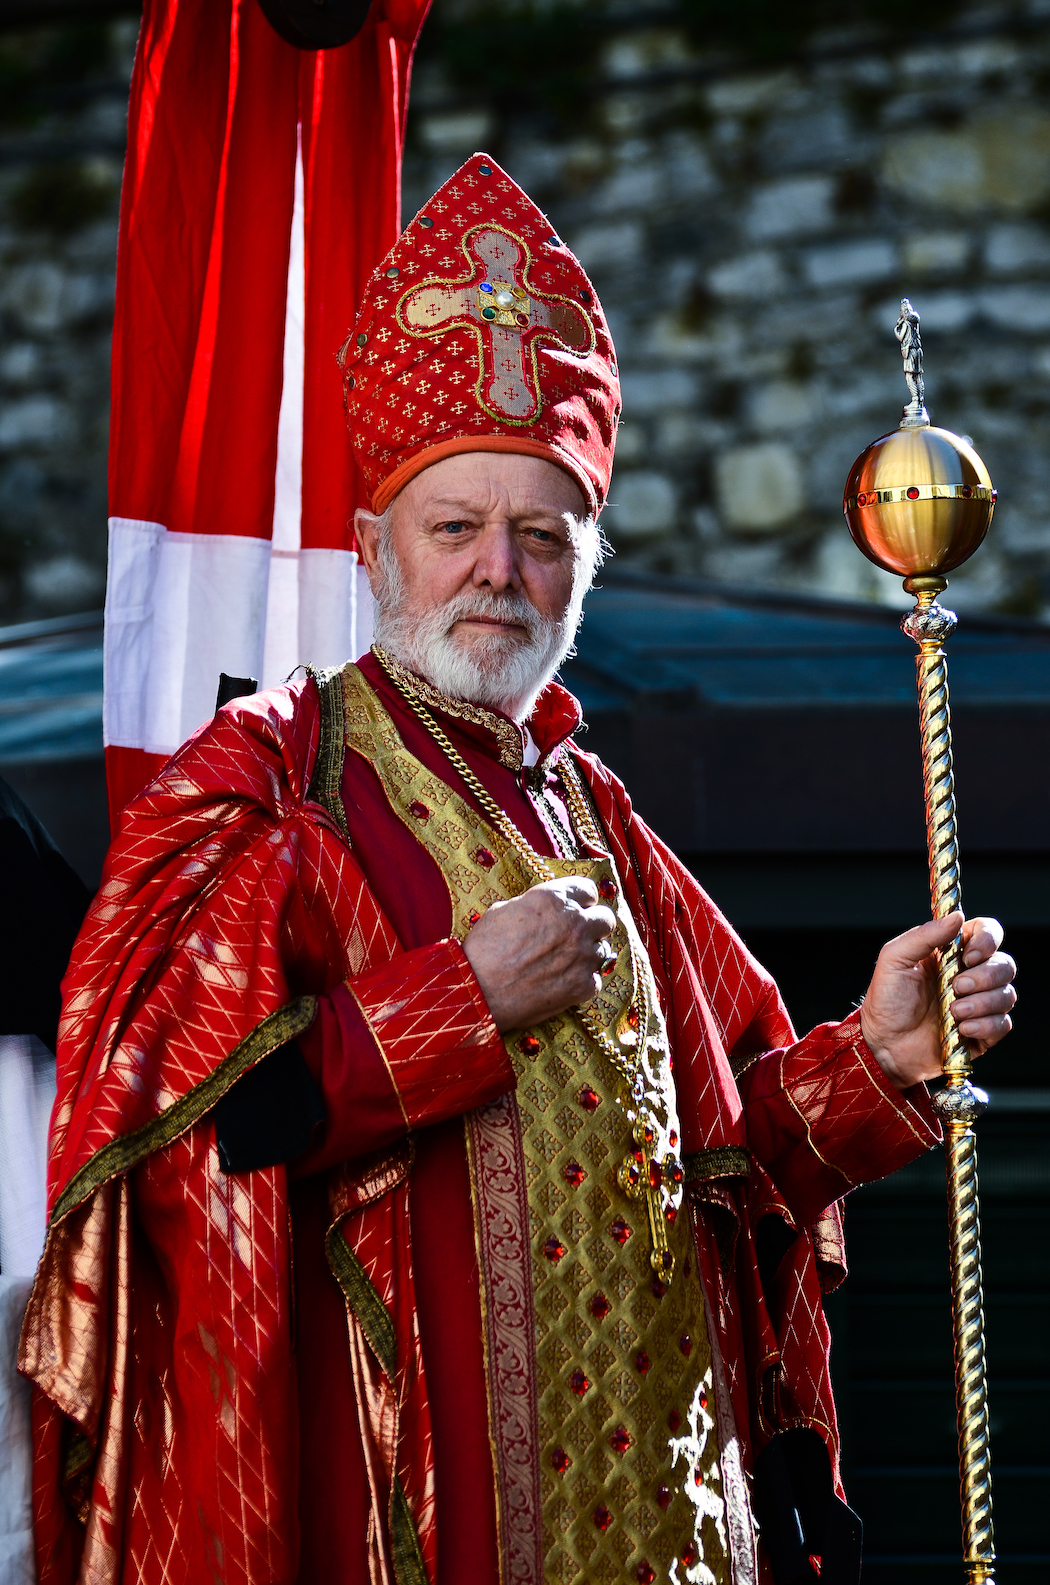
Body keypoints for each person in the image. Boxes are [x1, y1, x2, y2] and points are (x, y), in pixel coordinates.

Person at [19, 155, 1016, 1585]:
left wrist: (876, 1058)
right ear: (376, 549)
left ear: (582, 567)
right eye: (456, 527)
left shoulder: (605, 821)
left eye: (541, 537)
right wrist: (453, 1004)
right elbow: (172, 1153)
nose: (498, 569)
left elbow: (733, 1178)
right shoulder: (272, 791)